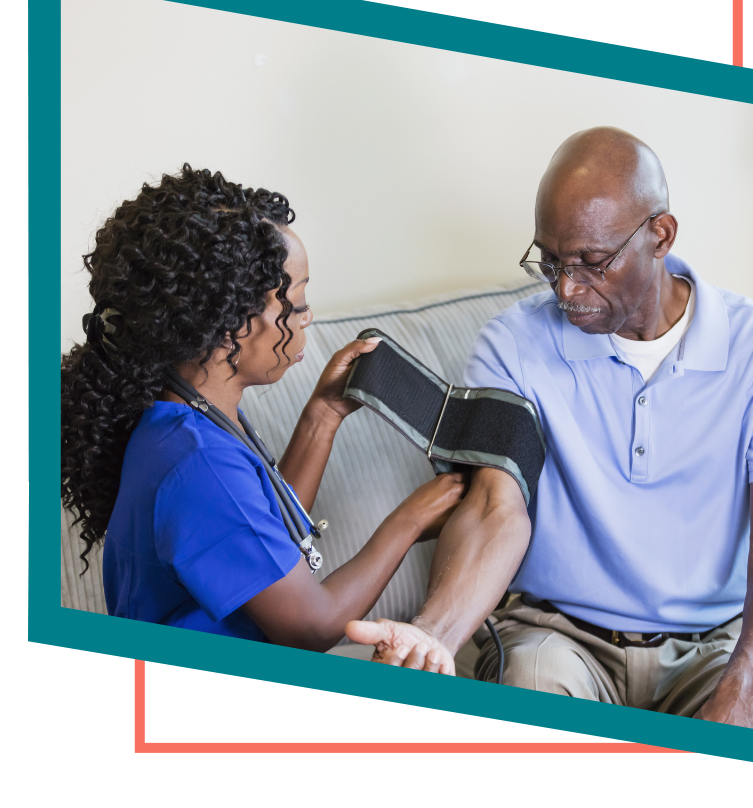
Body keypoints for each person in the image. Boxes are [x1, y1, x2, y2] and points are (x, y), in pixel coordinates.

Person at [347, 127, 753, 733]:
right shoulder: (512, 343)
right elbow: (492, 506)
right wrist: (434, 634)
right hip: (558, 639)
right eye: (551, 262)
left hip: (710, 649)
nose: (565, 289)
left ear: (660, 235)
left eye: (591, 262)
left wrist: (748, 681)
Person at [61, 164, 465, 653]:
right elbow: (311, 627)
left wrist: (323, 415)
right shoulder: (197, 461)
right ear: (227, 323)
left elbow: (260, 530)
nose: (306, 316)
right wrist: (411, 519)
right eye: (293, 302)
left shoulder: (189, 418)